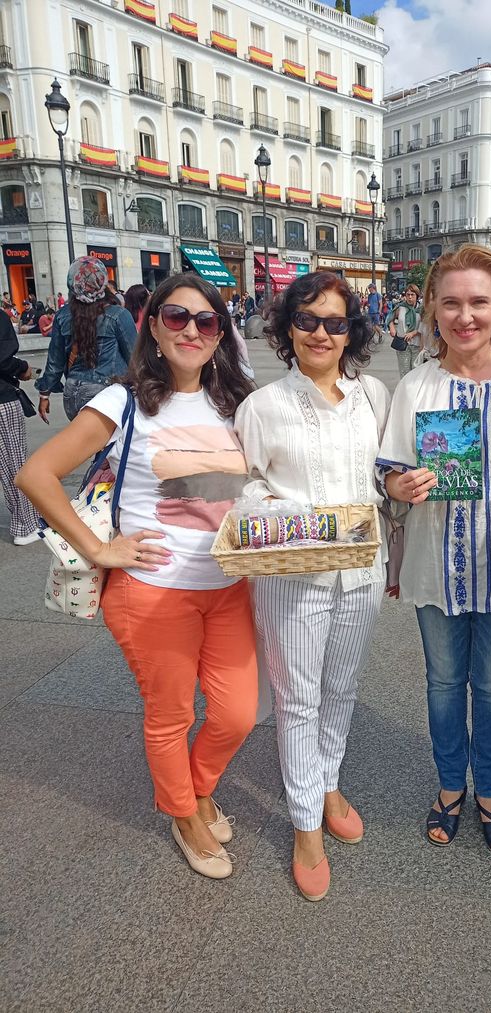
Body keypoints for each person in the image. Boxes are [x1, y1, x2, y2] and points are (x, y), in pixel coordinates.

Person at [17, 273, 258, 879]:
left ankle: (198, 791)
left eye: (207, 321)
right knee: (171, 716)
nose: (192, 331)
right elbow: (37, 475)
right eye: (176, 317)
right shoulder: (122, 401)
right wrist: (100, 549)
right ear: (152, 325)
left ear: (221, 332)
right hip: (153, 591)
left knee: (236, 714)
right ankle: (184, 816)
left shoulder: (238, 399)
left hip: (228, 585)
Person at [378, 244, 491, 857]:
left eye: (479, 301)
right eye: (450, 302)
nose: (465, 315)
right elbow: (390, 471)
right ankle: (452, 787)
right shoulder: (416, 386)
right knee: (445, 682)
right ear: (432, 308)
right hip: (437, 565)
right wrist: (400, 483)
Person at [235, 271, 388, 903]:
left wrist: (397, 491)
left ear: (352, 330)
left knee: (342, 686)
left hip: (362, 572)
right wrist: (290, 520)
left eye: (335, 322)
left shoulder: (374, 394)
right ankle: (305, 826)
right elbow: (240, 492)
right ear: (286, 328)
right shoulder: (262, 407)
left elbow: (384, 476)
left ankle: (326, 783)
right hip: (293, 578)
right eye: (308, 320)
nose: (322, 333)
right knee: (297, 697)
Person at [35, 257, 138, 422]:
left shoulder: (62, 315)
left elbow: (55, 361)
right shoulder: (118, 315)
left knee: (85, 445)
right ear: (102, 282)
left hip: (72, 393)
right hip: (107, 393)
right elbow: (135, 358)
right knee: (111, 447)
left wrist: (44, 393)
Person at [0, 309, 40, 544]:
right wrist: (22, 368)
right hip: (2, 399)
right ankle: (25, 525)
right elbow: (3, 359)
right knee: (14, 462)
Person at [388, 283, 422, 378]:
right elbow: (389, 318)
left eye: (412, 295)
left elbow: (425, 325)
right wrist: (391, 326)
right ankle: (404, 391)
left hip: (417, 344)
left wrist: (414, 333)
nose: (410, 297)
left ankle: (415, 392)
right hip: (403, 344)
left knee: (416, 372)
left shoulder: (422, 309)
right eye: (408, 294)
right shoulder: (400, 307)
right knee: (404, 373)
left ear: (417, 296)